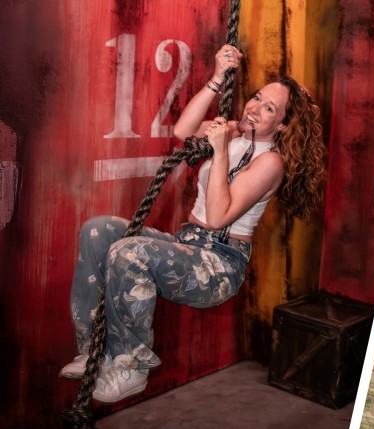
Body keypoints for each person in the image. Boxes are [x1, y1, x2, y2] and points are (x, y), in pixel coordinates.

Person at [59, 44, 327, 403]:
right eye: (257, 98)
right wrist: (218, 77)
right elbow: (184, 130)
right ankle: (95, 350)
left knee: (128, 252)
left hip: (218, 263)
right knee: (99, 230)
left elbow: (218, 217)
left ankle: (130, 366)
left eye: (269, 108)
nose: (254, 108)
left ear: (283, 124)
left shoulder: (270, 163)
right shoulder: (235, 131)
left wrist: (218, 152)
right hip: (188, 243)